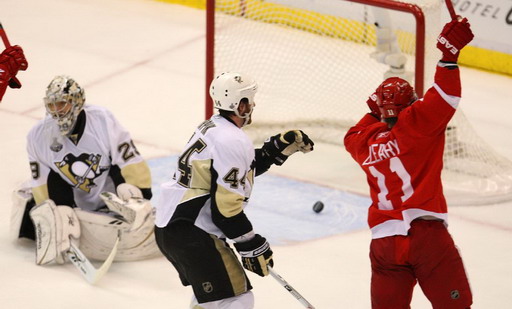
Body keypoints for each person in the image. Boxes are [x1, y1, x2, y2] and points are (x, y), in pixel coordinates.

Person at [344, 17, 474, 308]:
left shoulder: (364, 141)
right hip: (426, 236)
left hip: (384, 243)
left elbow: (353, 133)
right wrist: (448, 56)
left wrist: (375, 105)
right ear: (411, 104)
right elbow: (445, 95)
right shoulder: (417, 124)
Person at [155, 72, 314, 308]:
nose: (253, 105)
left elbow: (229, 175)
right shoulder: (233, 140)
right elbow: (226, 209)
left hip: (173, 227)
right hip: (193, 232)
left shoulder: (212, 127)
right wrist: (250, 243)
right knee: (236, 298)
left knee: (212, 297)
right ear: (240, 105)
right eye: (249, 100)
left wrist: (273, 151)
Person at [11, 75, 161, 265]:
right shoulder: (37, 136)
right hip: (72, 201)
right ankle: (65, 219)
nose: (56, 111)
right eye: (52, 105)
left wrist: (139, 194)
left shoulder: (102, 121)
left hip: (108, 196)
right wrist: (50, 215)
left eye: (62, 104)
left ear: (77, 102)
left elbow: (128, 159)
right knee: (54, 209)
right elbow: (41, 181)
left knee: (129, 194)